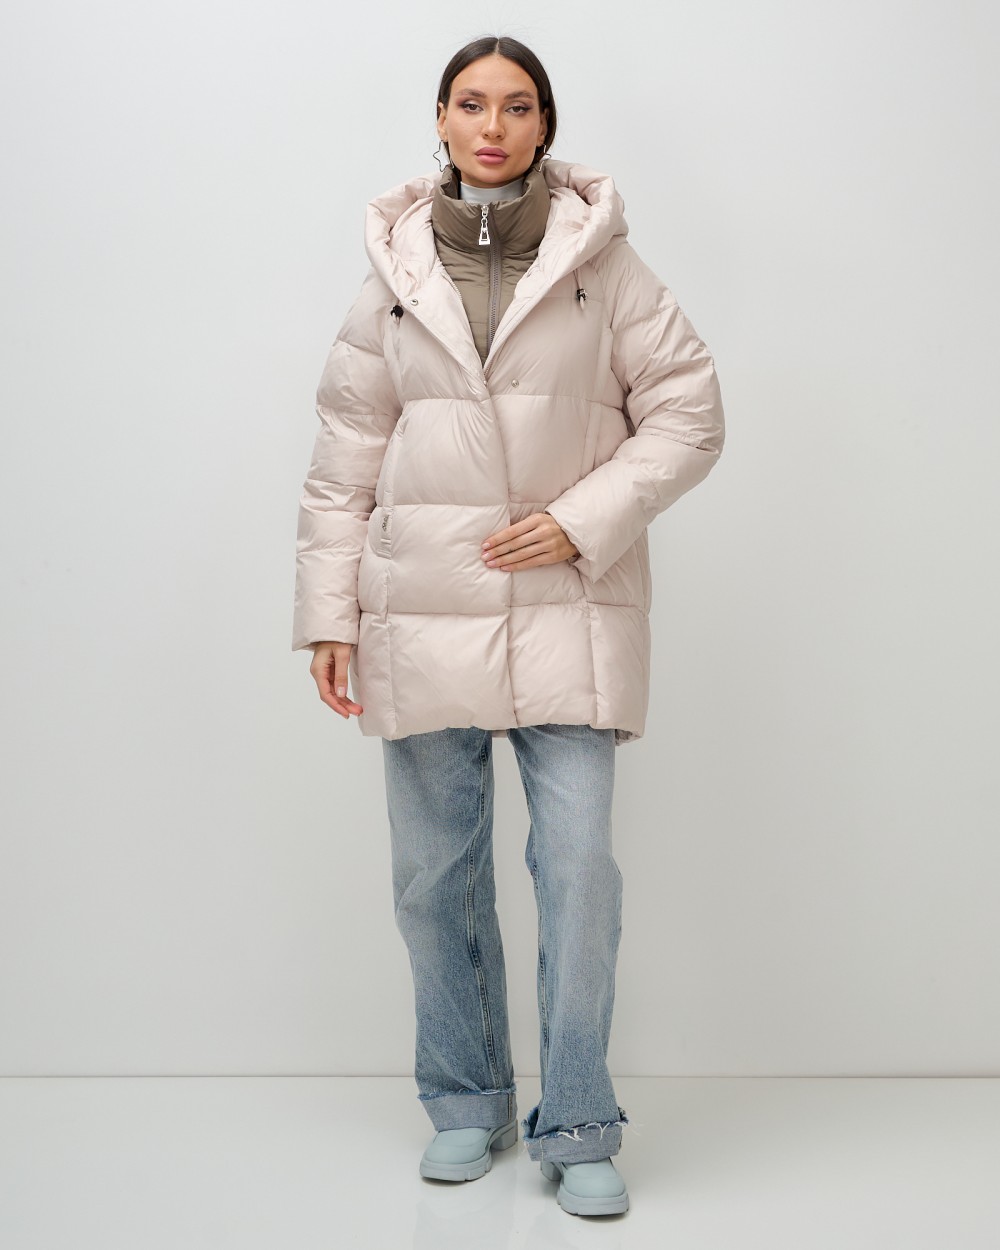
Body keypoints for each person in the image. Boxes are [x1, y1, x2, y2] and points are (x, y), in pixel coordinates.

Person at [292, 35, 725, 1217]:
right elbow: (343, 461)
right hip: (421, 599)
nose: (493, 126)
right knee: (433, 875)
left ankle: (577, 1117)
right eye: (471, 103)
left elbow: (689, 414)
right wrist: (328, 615)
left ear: (544, 125)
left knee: (578, 869)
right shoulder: (391, 271)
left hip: (567, 605)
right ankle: (463, 1100)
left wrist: (581, 521)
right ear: (440, 118)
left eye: (517, 105)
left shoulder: (606, 268)